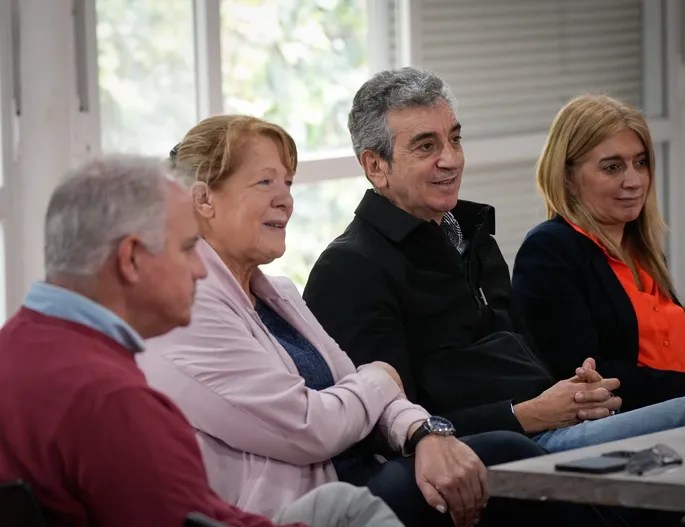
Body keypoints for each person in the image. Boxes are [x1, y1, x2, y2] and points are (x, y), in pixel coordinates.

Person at [302, 67, 685, 456]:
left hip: (555, 424)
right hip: (512, 447)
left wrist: (580, 386)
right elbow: (389, 425)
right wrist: (527, 414)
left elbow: (533, 361)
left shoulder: (473, 239)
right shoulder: (351, 268)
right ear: (375, 166)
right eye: (426, 146)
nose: (451, 160)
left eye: (455, 139)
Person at [139, 115, 553, 527]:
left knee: (499, 459)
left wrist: (424, 433)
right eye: (265, 182)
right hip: (298, 511)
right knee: (505, 459)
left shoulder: (279, 292)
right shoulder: (188, 311)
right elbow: (308, 426)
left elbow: (360, 386)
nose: (286, 199)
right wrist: (381, 377)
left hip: (362, 475)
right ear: (204, 200)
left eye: (288, 183)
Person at [0, 155, 404, 527]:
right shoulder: (113, 400)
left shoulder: (15, 345)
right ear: (132, 259)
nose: (199, 269)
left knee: (340, 505)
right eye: (189, 247)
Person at [511, 93, 685, 410]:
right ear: (567, 179)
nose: (634, 181)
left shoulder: (641, 250)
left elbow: (674, 374)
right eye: (612, 167)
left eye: (640, 163)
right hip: (617, 421)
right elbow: (581, 377)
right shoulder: (549, 250)